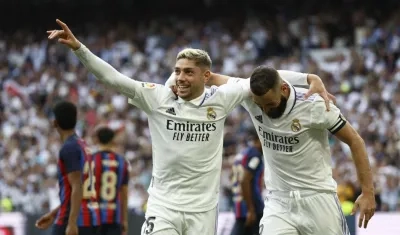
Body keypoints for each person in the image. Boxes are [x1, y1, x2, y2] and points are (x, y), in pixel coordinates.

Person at [47, 19, 331, 235]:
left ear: (206, 76)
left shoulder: (222, 99)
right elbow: (113, 78)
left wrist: (308, 77)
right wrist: (80, 49)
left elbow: (263, 78)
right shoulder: (157, 97)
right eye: (177, 71)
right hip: (163, 206)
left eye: (188, 72)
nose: (180, 77)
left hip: (203, 212)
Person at [199, 66, 376, 234]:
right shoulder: (249, 94)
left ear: (284, 89)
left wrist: (368, 192)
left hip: (318, 198)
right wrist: (181, 81)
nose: (265, 111)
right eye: (260, 106)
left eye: (270, 104)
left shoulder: (313, 104)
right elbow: (212, 78)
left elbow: (355, 141)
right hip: (279, 201)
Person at [35, 101, 100, 235]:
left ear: (55, 122)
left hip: (72, 221)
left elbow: (77, 186)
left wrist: (71, 223)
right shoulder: (83, 145)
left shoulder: (69, 148)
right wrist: (53, 214)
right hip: (89, 218)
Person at [92, 126, 129, 235]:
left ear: (97, 140)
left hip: (94, 216)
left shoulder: (91, 160)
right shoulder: (122, 162)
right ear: (113, 140)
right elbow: (124, 193)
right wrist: (124, 220)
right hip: (114, 217)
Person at [230, 129, 264, 235]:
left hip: (239, 203)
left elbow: (232, 176)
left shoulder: (242, 153)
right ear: (259, 139)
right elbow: (244, 180)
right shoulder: (255, 155)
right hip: (251, 205)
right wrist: (250, 209)